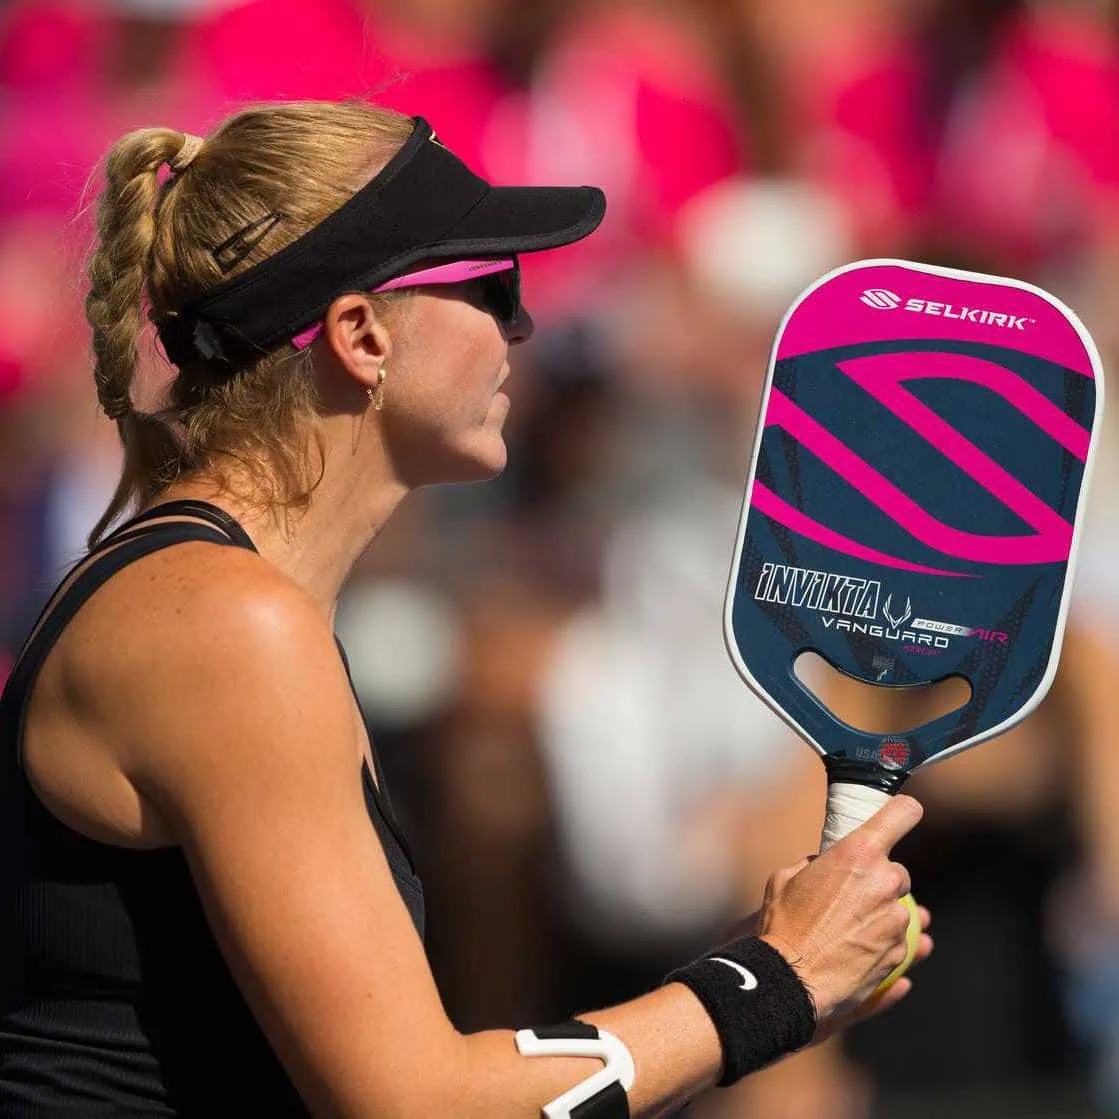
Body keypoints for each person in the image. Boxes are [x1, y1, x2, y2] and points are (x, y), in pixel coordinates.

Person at [0, 99, 930, 1116]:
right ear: (361, 335)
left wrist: (759, 983)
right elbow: (418, 1102)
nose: (522, 325)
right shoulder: (230, 627)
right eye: (493, 285)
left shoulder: (226, 604)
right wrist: (768, 987)